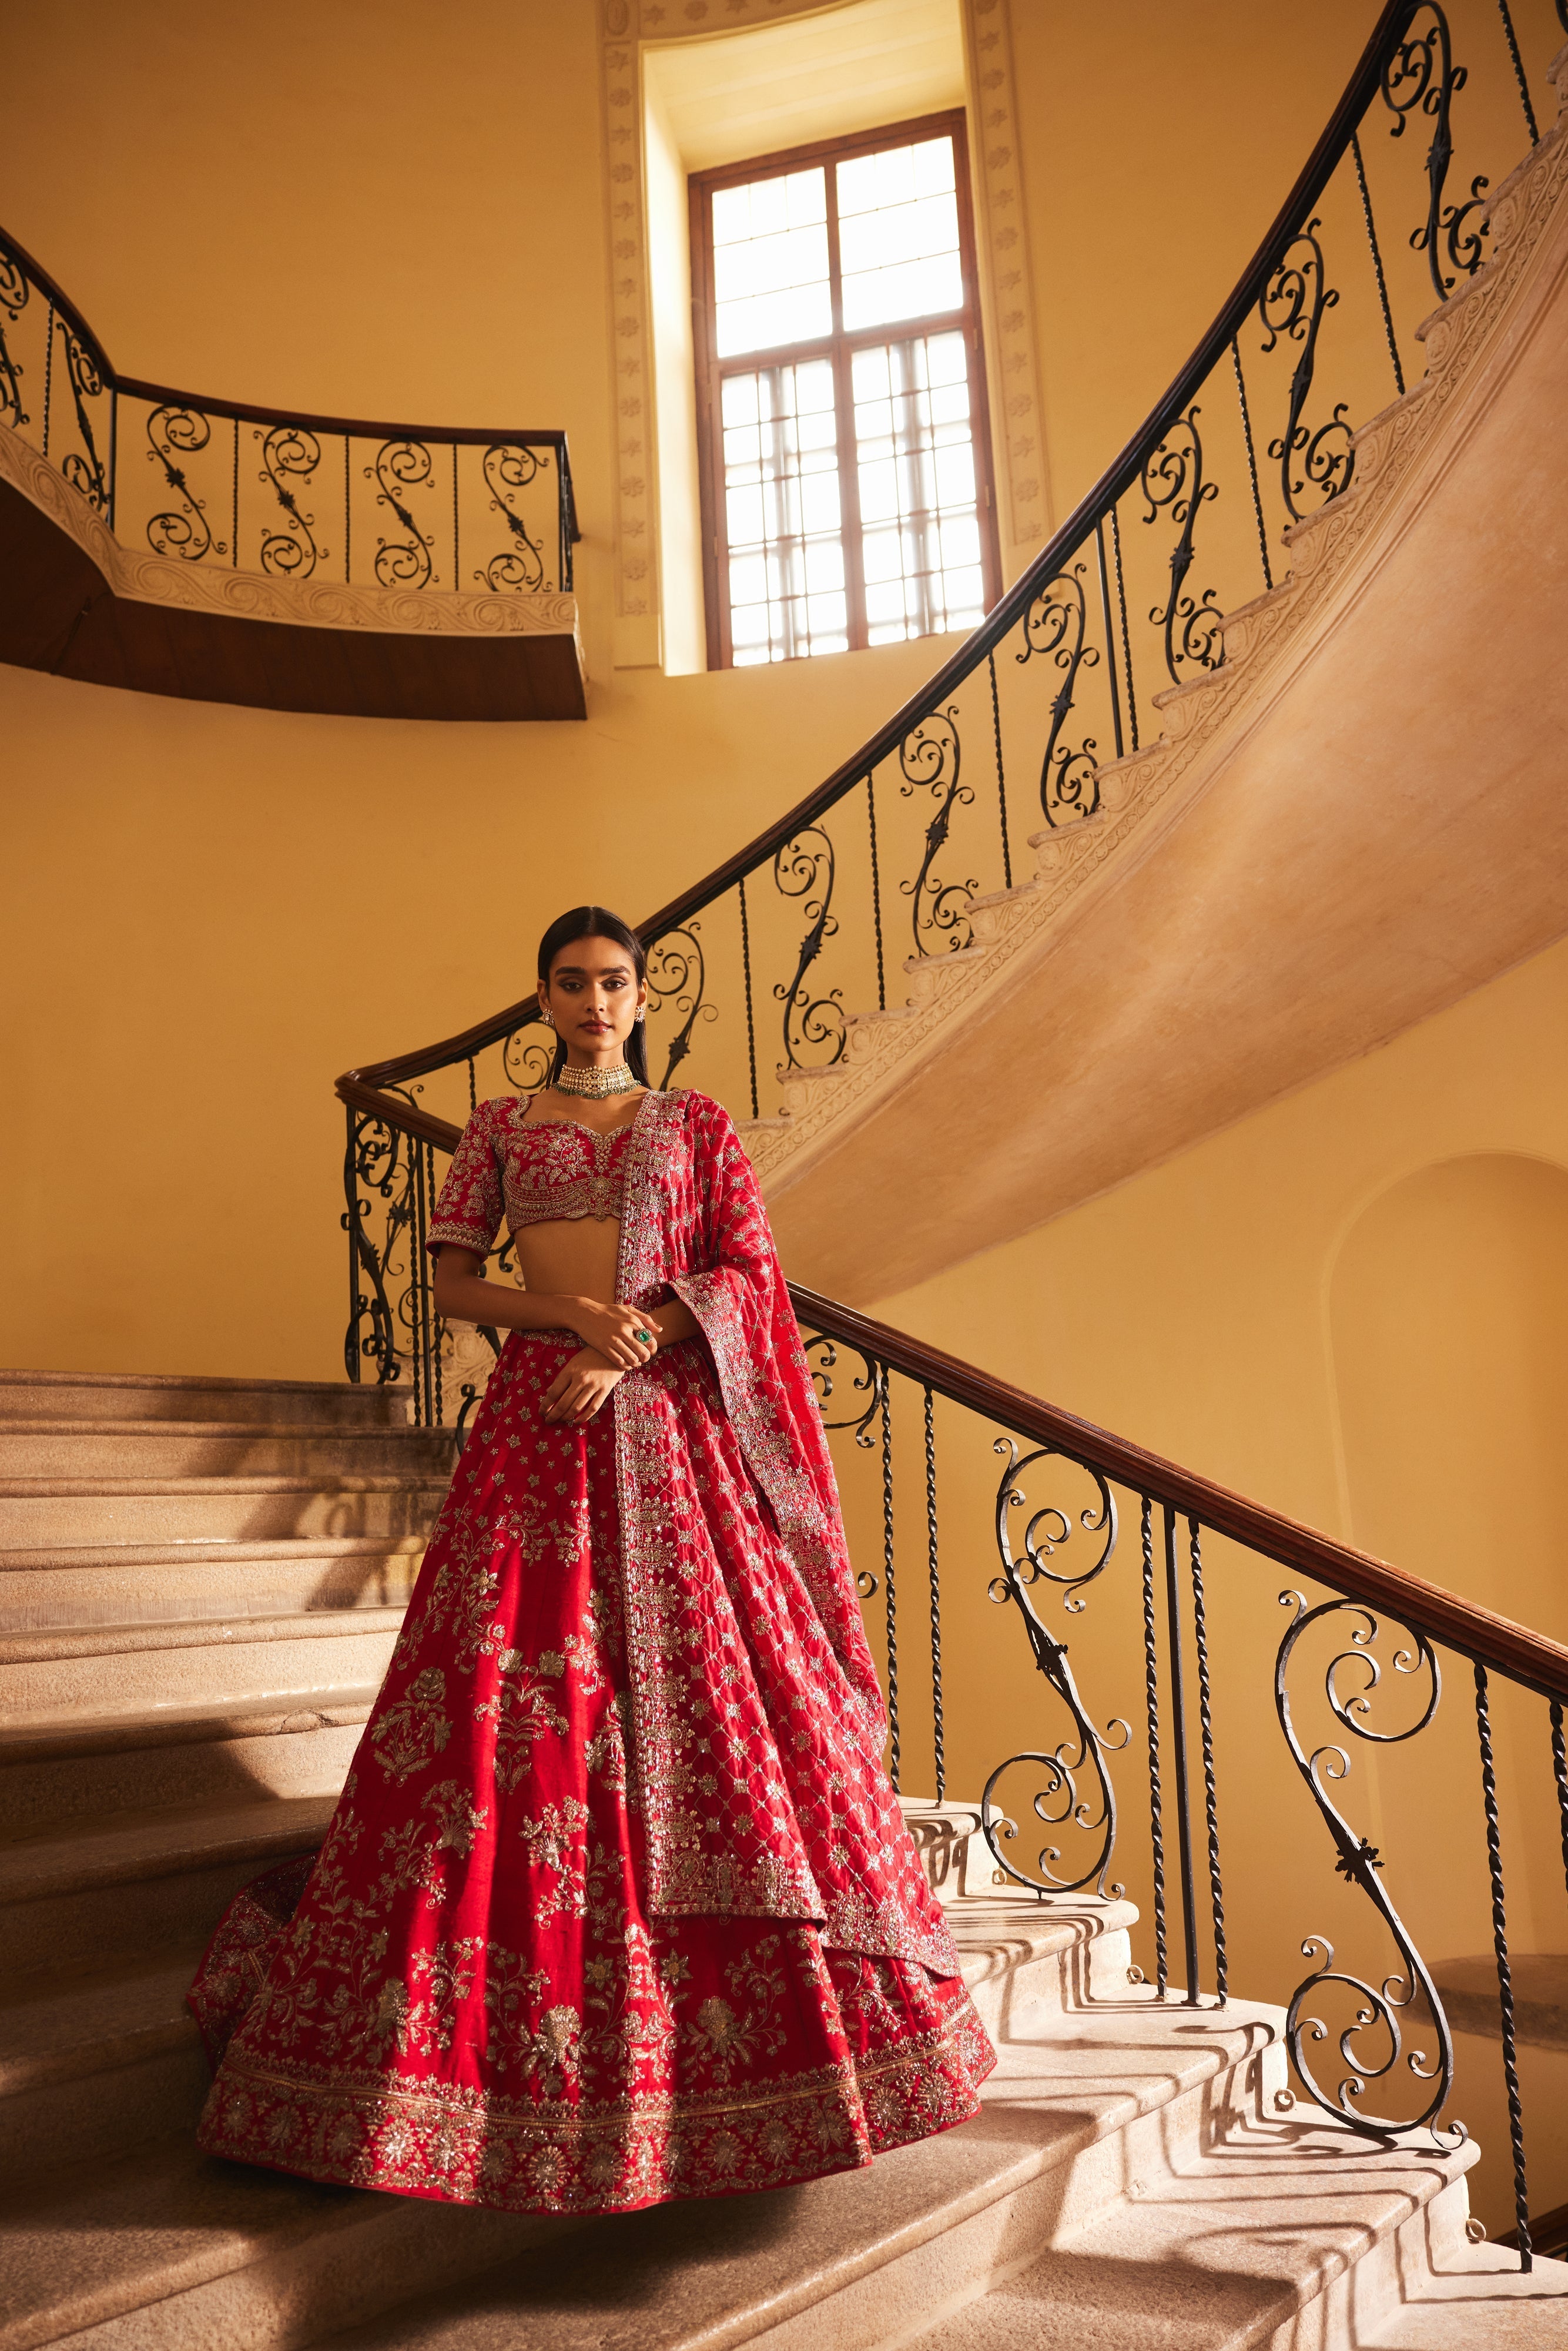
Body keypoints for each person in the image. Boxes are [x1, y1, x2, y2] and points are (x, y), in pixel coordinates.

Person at [189, 906, 994, 2216]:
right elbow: (453, 1286)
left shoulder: (697, 1124)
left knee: (719, 1690)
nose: (595, 1001)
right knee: (504, 1691)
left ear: (638, 991)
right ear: (543, 997)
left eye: (613, 981)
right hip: (536, 1420)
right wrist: (565, 1315)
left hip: (666, 1427)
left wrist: (627, 1343)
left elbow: (747, 1270)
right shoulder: (499, 1127)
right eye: (572, 983)